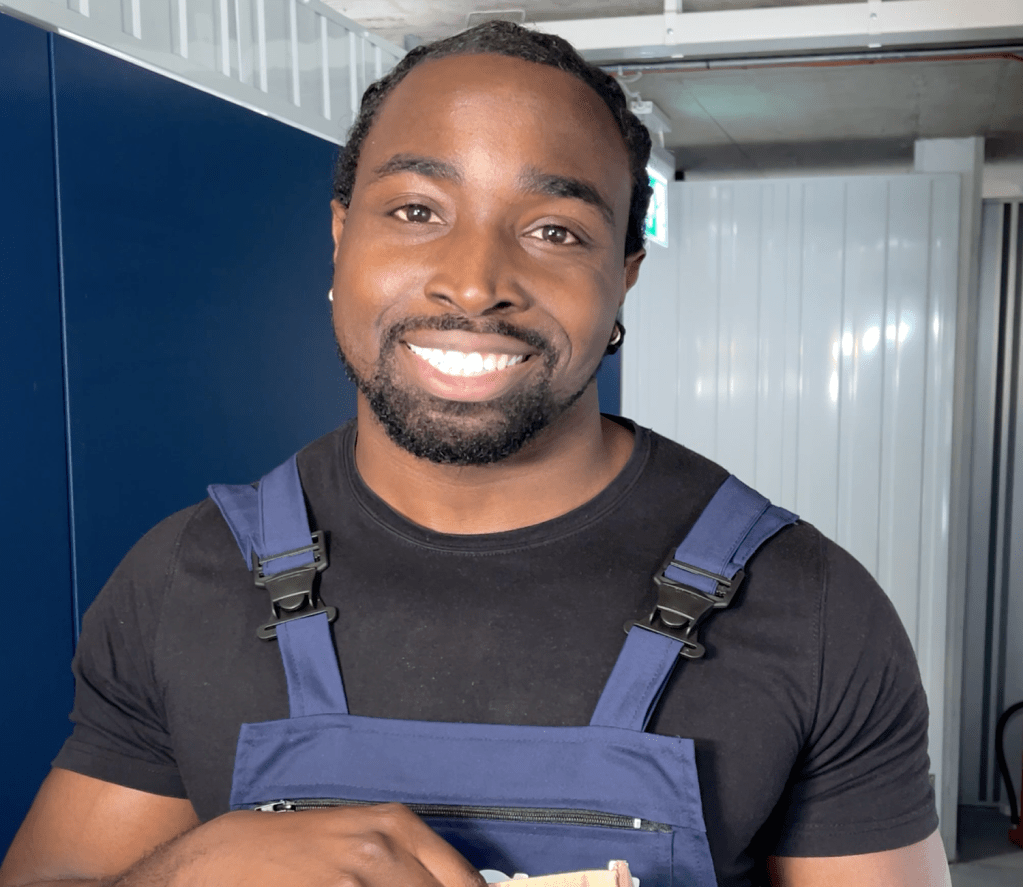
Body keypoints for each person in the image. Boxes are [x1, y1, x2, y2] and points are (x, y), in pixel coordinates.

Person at [0, 21, 950, 887]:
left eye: (553, 230)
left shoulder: (812, 610)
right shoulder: (182, 579)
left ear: (622, 275)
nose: (474, 282)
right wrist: (186, 872)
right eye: (417, 210)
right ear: (340, 236)